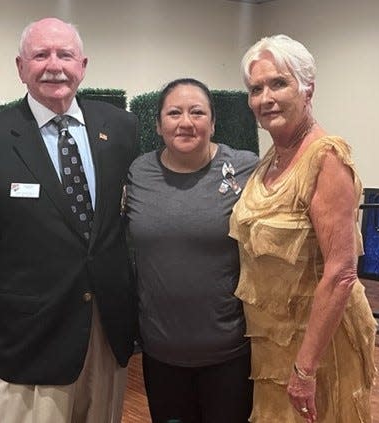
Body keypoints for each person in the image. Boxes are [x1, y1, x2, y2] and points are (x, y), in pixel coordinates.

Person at [0, 17, 139, 423]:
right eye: (40, 55)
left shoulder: (119, 127)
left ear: (82, 65)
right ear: (20, 67)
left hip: (108, 329)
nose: (54, 65)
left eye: (65, 54)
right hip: (33, 336)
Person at [229, 34, 377, 423]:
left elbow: (342, 273)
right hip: (271, 339)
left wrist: (305, 370)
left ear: (308, 88)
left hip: (317, 347)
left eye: (279, 83)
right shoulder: (272, 159)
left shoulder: (325, 158)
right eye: (255, 88)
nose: (265, 98)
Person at [126, 78, 258, 423]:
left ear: (213, 123)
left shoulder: (248, 169)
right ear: (158, 124)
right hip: (160, 354)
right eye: (174, 112)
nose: (186, 122)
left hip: (230, 352)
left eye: (197, 112)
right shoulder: (137, 173)